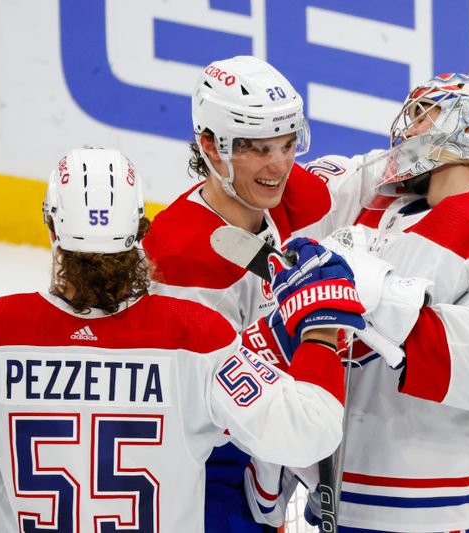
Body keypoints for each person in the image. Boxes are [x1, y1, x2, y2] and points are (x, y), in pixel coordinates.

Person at [0, 147, 365, 533]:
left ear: (51, 229)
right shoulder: (196, 335)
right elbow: (310, 435)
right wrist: (321, 327)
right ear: (142, 231)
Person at [251, 73, 469, 532]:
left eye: (426, 115)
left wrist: (372, 294)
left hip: (442, 508)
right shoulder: (382, 212)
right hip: (341, 500)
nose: (409, 129)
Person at [142, 55, 372, 533]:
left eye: (289, 145)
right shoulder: (183, 256)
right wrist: (288, 336)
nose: (280, 165)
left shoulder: (284, 193)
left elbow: (366, 181)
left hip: (261, 443)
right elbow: (198, 398)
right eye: (259, 149)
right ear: (210, 146)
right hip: (202, 469)